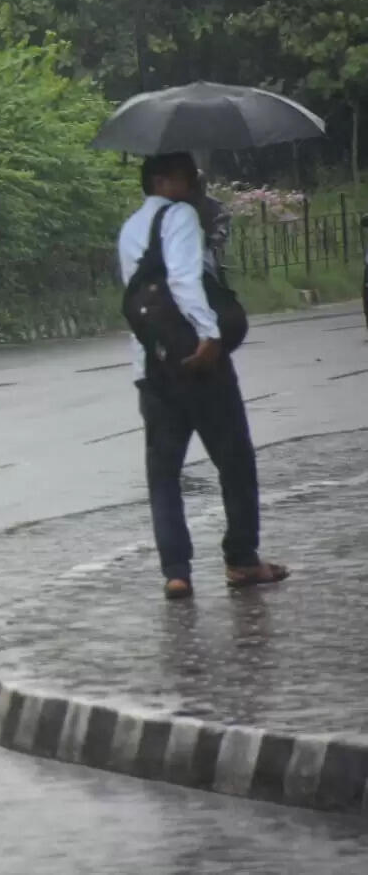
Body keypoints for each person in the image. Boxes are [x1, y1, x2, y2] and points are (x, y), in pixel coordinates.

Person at [119, 153, 287, 600]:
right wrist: (209, 336)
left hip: (151, 367)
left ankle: (176, 571)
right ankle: (242, 559)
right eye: (186, 176)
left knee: (163, 473)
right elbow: (183, 281)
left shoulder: (130, 228)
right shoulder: (179, 217)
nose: (195, 183)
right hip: (199, 363)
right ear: (162, 180)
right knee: (234, 460)